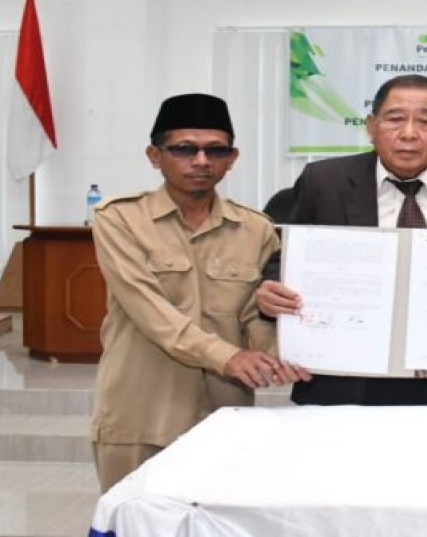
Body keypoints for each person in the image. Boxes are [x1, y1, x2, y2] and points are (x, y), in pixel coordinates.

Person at [256, 74, 427, 405]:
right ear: (371, 126)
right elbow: (288, 259)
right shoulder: (324, 181)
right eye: (394, 119)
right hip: (343, 372)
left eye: (425, 121)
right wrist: (271, 288)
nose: (408, 133)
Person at [90, 93, 308, 492]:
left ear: (232, 157)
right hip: (140, 411)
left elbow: (254, 316)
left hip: (224, 414)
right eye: (184, 149)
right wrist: (229, 357)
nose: (202, 161)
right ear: (155, 156)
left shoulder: (256, 227)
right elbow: (149, 310)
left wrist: (286, 354)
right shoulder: (119, 218)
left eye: (215, 150)